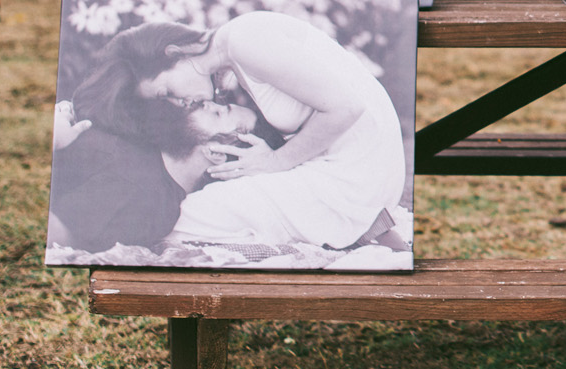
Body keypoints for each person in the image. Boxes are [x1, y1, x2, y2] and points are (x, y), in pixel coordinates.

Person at [77, 13, 408, 252]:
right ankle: (372, 232)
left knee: (195, 210)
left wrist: (277, 162)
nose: (181, 103)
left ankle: (89, 232)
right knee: (231, 189)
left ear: (174, 54)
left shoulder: (245, 41)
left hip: (358, 170)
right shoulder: (235, 53)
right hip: (358, 163)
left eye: (167, 93)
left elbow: (347, 109)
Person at [46, 96, 262, 254]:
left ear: (215, 152)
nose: (207, 102)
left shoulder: (143, 196)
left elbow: (56, 235)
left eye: (218, 113)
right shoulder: (152, 142)